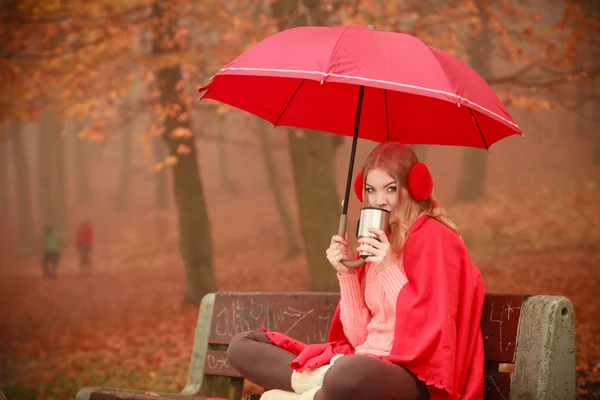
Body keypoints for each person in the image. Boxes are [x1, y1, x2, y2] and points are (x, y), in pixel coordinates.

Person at [227, 143, 486, 400]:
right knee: (242, 346)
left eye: (391, 189)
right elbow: (359, 337)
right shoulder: (379, 239)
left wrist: (388, 268)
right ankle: (316, 389)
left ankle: (290, 395)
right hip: (360, 367)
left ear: (413, 188)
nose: (379, 200)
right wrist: (347, 274)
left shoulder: (437, 239)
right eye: (371, 190)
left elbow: (433, 329)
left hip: (412, 377)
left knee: (349, 372)